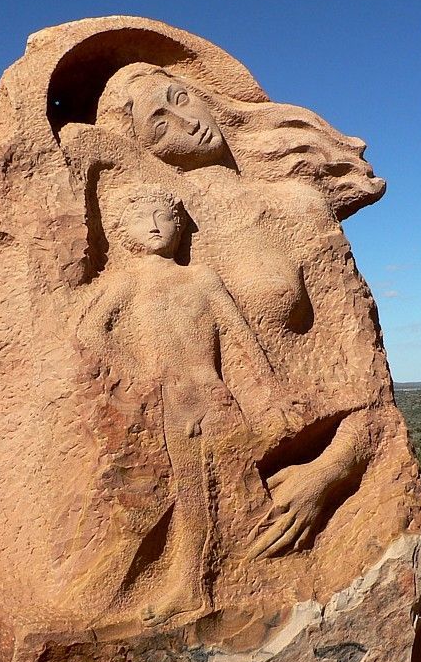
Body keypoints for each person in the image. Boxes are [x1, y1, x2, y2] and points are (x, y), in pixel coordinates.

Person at [93, 65, 392, 561]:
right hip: (180, 450)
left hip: (293, 464)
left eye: (180, 98)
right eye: (159, 124)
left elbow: (366, 383)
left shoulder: (296, 207)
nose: (186, 123)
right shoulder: (153, 221)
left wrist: (327, 475)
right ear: (145, 151)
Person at [75, 184, 303, 625]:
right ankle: (188, 585)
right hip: (167, 403)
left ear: (180, 227)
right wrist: (140, 374)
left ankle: (222, 580)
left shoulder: (201, 277)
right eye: (145, 219)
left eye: (164, 217)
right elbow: (90, 333)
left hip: (214, 395)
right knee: (187, 493)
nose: (156, 225)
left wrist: (273, 391)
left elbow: (241, 336)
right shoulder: (126, 281)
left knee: (233, 488)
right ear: (125, 231)